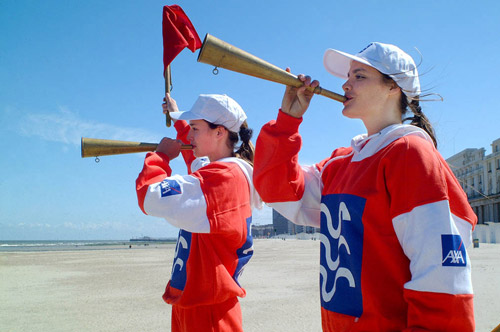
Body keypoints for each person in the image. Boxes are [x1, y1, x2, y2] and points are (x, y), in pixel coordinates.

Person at [253, 42, 477, 331]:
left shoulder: (408, 152)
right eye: (348, 76)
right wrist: (288, 120)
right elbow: (278, 191)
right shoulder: (339, 163)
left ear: (393, 88)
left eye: (359, 76)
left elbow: (443, 277)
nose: (345, 84)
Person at [136, 93, 261, 332]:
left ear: (219, 132)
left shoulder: (224, 177)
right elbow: (195, 159)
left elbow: (149, 197)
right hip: (195, 301)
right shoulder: (220, 170)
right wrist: (178, 118)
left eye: (195, 128)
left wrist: (160, 157)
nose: (190, 136)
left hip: (208, 312)